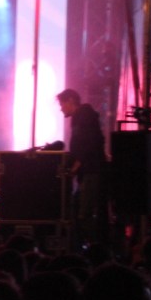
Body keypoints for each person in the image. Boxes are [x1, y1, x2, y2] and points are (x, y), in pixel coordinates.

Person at [56, 88, 107, 246]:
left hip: (91, 171)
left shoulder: (83, 114)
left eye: (62, 104)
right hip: (88, 171)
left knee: (84, 214)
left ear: (71, 100)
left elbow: (89, 142)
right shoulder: (81, 116)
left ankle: (95, 248)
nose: (61, 108)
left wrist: (77, 164)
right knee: (79, 210)